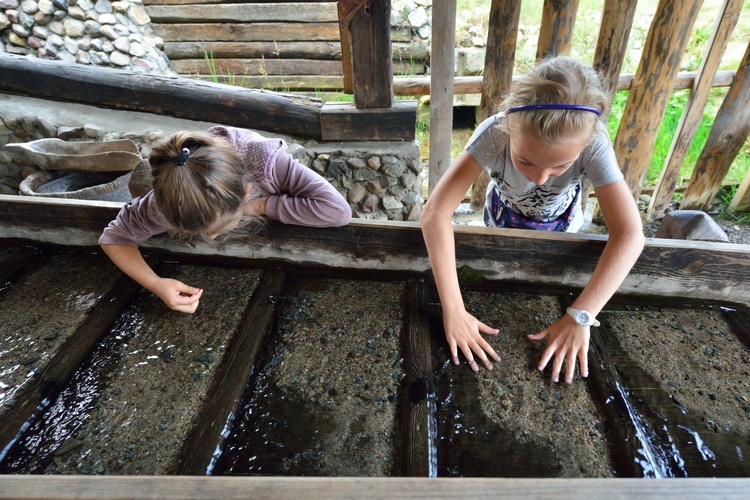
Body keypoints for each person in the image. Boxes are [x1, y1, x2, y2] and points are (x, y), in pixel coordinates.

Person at [420, 56, 645, 384]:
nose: (541, 179)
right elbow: (435, 213)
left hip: (562, 225)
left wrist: (582, 316)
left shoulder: (594, 144)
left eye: (559, 167)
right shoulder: (494, 134)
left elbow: (630, 234)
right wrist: (453, 308)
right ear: (509, 124)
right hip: (502, 217)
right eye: (525, 161)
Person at [100, 125, 351, 313]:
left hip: (257, 167)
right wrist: (155, 283)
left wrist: (262, 206)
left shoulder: (269, 165)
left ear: (247, 193)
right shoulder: (166, 203)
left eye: (222, 228)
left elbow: (338, 211)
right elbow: (114, 237)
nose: (211, 238)